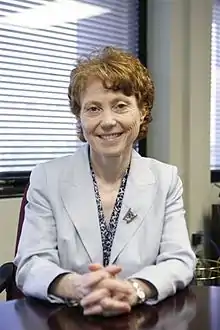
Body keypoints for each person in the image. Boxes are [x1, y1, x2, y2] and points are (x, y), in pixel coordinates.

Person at [14, 46, 196, 317]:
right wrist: (76, 286)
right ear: (80, 116)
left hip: (140, 318)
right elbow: (31, 262)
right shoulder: (47, 178)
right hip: (68, 318)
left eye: (121, 106)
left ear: (142, 111)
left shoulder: (165, 179)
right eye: (93, 109)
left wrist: (135, 288)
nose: (108, 121)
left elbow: (179, 260)